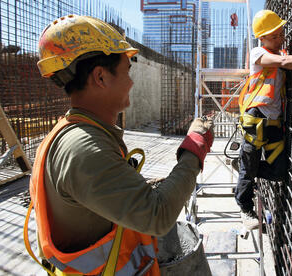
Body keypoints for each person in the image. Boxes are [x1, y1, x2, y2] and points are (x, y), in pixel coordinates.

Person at [28, 15, 213, 275]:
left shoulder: (81, 133)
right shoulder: (84, 149)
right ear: (101, 77)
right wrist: (195, 147)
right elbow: (157, 216)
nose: (131, 82)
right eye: (127, 71)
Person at [234, 10, 292, 229]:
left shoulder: (279, 54)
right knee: (248, 169)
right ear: (261, 38)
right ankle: (245, 210)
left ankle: (244, 167)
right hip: (255, 120)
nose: (279, 39)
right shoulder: (257, 53)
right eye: (273, 36)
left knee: (278, 171)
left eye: (280, 34)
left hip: (274, 123)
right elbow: (282, 61)